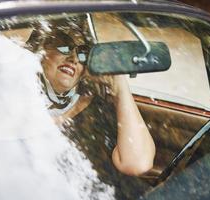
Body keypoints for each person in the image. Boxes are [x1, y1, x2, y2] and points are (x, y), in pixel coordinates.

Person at [27, 16, 156, 198]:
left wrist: (119, 84)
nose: (73, 59)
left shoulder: (99, 108)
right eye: (64, 46)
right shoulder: (16, 102)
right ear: (41, 52)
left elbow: (138, 163)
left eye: (82, 54)